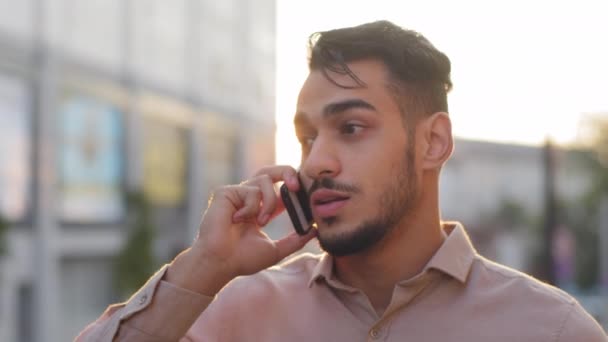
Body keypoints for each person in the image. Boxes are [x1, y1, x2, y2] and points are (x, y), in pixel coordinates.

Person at [76, 20, 607, 341]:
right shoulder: (236, 312)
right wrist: (205, 265)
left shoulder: (552, 331)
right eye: (307, 138)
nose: (316, 163)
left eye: (351, 128)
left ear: (433, 143)